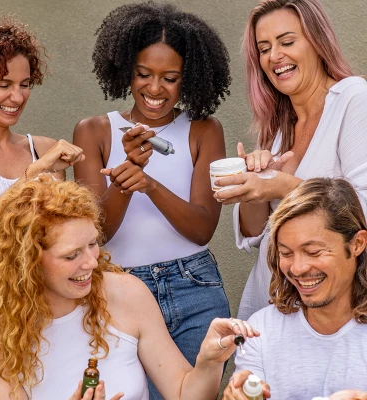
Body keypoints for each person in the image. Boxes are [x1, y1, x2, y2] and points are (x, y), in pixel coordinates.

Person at [0, 176, 257, 400]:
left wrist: (208, 361)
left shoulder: (126, 293)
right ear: (28, 263)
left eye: (92, 244)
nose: (92, 262)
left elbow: (184, 394)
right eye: (72, 255)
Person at [73, 3, 231, 397]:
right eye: (143, 74)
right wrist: (128, 175)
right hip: (119, 291)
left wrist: (150, 184)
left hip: (194, 289)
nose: (155, 88)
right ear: (126, 69)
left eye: (170, 78)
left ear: (188, 79)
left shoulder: (204, 130)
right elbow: (97, 234)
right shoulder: (94, 132)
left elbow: (201, 229)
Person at [213, 0, 367, 320]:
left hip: (328, 312)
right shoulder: (278, 128)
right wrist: (255, 185)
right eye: (264, 48)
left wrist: (284, 186)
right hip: (268, 305)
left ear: (317, 42)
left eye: (287, 42)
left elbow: (362, 208)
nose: (274, 56)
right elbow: (257, 236)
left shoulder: (353, 98)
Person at [0, 12, 84, 396]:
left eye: (24, 84)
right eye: (3, 84)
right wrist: (33, 175)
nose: (16, 97)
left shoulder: (44, 148)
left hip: (39, 317)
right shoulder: (38, 161)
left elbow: (61, 240)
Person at [222, 177, 367, 400]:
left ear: (357, 244)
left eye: (313, 252)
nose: (297, 269)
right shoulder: (261, 330)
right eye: (286, 253)